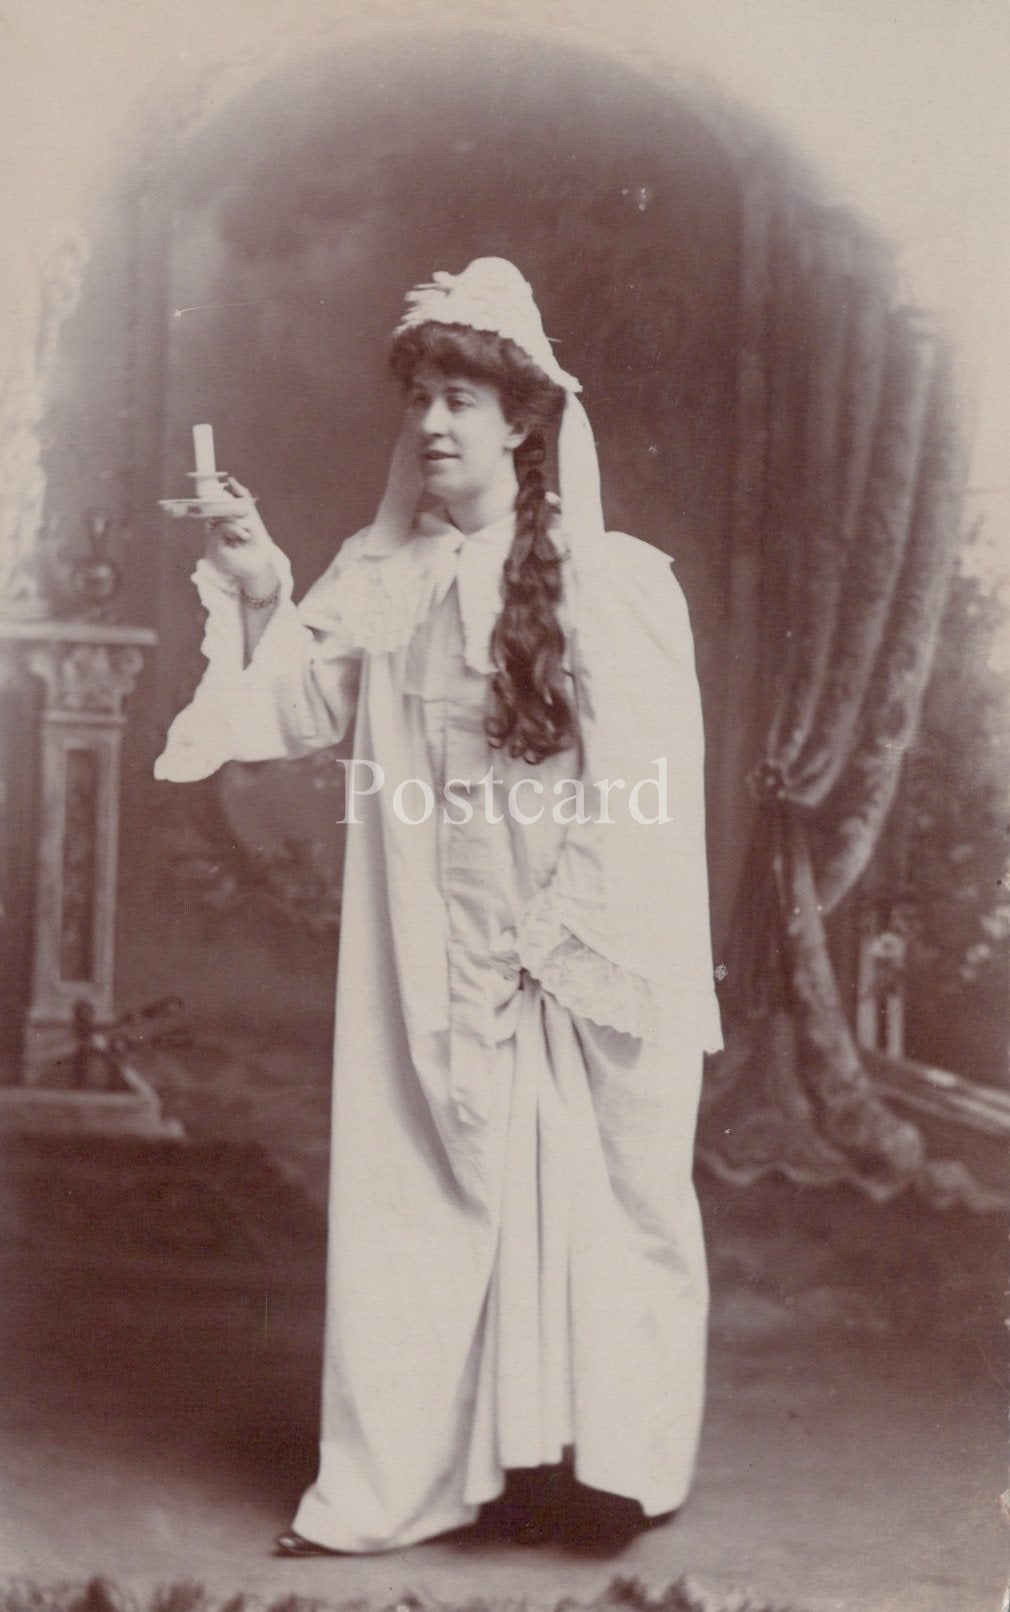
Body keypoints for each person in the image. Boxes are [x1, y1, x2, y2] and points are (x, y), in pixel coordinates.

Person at [155, 257, 723, 1555]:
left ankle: (598, 1470)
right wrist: (260, 581)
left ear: (522, 421)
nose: (431, 422)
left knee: (596, 1194)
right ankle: (408, 1477)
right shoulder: (382, 575)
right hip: (427, 953)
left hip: (565, 958)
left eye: (461, 398)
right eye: (418, 396)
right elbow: (291, 708)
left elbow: (646, 795)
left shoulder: (610, 581)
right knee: (422, 1195)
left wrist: (557, 942)